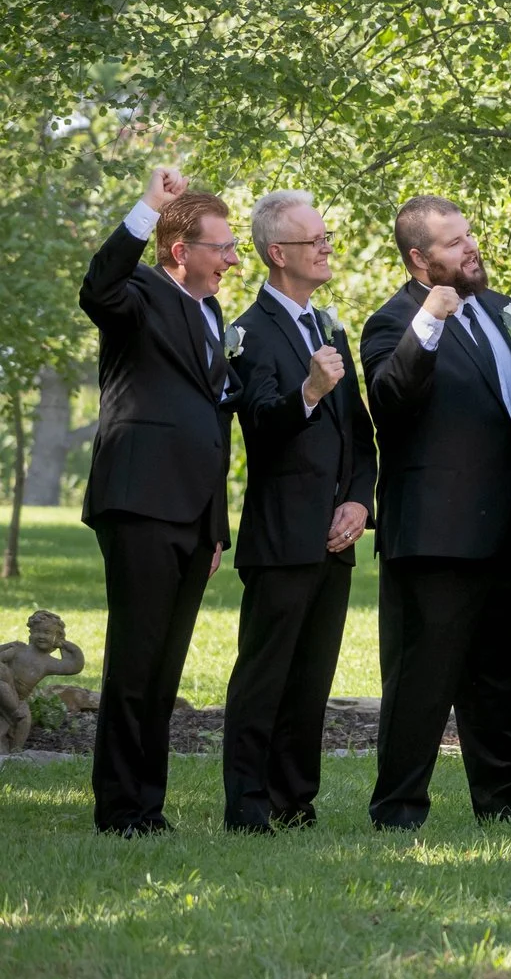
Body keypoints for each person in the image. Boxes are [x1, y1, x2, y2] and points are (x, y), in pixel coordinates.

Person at [361, 195, 511, 829]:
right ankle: (399, 808)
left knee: (494, 678)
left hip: (504, 529)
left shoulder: (499, 311)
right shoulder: (392, 321)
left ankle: (502, 804)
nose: (471, 249)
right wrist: (429, 321)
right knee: (421, 682)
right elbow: (390, 401)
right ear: (419, 258)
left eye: (470, 236)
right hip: (434, 536)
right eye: (454, 243)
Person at [79, 167, 239, 835]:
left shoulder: (213, 314)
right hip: (140, 501)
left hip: (192, 513)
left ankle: (150, 802)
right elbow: (98, 284)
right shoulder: (138, 292)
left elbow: (214, 422)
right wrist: (150, 204)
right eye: (222, 246)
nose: (234, 258)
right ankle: (120, 807)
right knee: (136, 658)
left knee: (166, 665)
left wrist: (216, 527)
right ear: (181, 250)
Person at [223, 190, 375, 832]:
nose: (327, 245)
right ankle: (248, 806)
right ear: (277, 253)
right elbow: (259, 422)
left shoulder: (329, 325)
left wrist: (360, 503)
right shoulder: (247, 331)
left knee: (312, 679)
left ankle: (295, 801)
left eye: (326, 235)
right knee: (265, 677)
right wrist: (308, 390)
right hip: (282, 534)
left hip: (335, 536)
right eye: (314, 238)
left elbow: (361, 435)